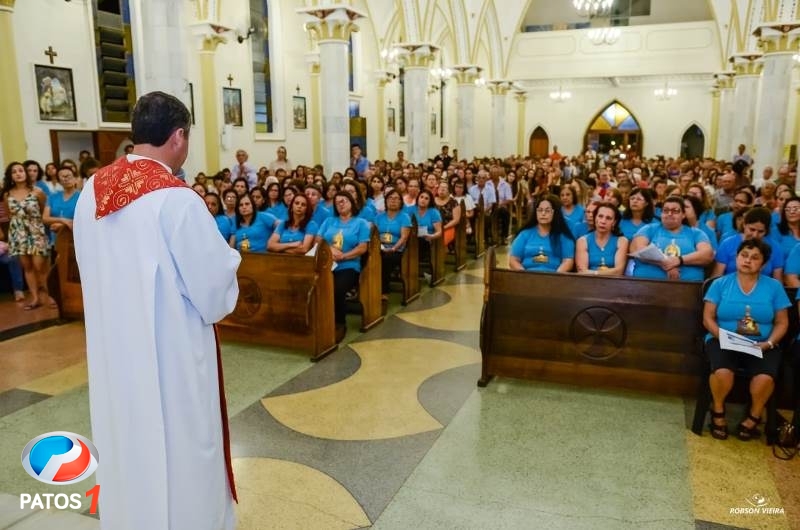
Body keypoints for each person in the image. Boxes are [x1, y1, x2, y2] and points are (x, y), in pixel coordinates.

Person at [73, 91, 240, 530]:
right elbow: (215, 294)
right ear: (179, 136)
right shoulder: (177, 199)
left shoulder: (91, 191)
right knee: (182, 450)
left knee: (126, 443)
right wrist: (230, 259)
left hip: (113, 353)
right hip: (171, 360)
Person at [702, 238, 789, 441]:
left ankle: (754, 416)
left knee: (764, 378)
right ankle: (718, 410)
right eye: (744, 255)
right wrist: (722, 336)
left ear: (764, 263)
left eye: (754, 257)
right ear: (737, 257)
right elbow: (708, 318)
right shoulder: (720, 283)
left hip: (762, 343)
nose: (747, 260)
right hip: (722, 339)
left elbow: (782, 323)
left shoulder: (774, 287)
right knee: (723, 372)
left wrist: (768, 343)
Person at [315, 191, 372, 342]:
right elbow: (318, 240)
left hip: (349, 265)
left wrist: (344, 256)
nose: (340, 204)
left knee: (337, 288)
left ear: (352, 203)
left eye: (344, 201)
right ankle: (320, 319)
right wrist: (331, 250)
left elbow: (362, 248)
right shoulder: (329, 221)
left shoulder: (360, 223)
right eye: (337, 202)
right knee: (315, 285)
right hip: (327, 264)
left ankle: (339, 323)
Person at [629, 196, 714, 281]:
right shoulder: (649, 229)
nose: (669, 213)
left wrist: (679, 260)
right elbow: (639, 249)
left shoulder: (696, 233)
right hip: (646, 285)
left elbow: (707, 255)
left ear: (683, 214)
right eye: (665, 210)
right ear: (661, 214)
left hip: (688, 287)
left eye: (675, 211)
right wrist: (666, 263)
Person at [2, 161, 50, 309]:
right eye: (14, 171)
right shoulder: (7, 194)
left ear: (25, 173)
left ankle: (49, 296)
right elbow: (10, 215)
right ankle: (35, 298)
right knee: (27, 266)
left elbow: (43, 210)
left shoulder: (37, 192)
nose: (18, 173)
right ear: (10, 176)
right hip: (18, 232)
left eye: (21, 170)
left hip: (35, 230)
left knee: (39, 265)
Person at [509, 194, 575, 272]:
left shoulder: (563, 236)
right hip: (527, 278)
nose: (543, 213)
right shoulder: (525, 234)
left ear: (555, 213)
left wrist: (555, 277)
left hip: (554, 279)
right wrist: (525, 276)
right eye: (540, 210)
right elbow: (513, 260)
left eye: (547, 210)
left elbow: (568, 261)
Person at [574, 202, 629, 275]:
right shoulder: (582, 241)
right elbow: (582, 272)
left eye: (608, 218)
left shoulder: (622, 241)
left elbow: (619, 271)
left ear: (614, 222)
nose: (603, 221)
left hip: (614, 284)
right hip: (588, 283)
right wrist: (606, 272)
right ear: (595, 218)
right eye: (600, 216)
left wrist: (595, 273)